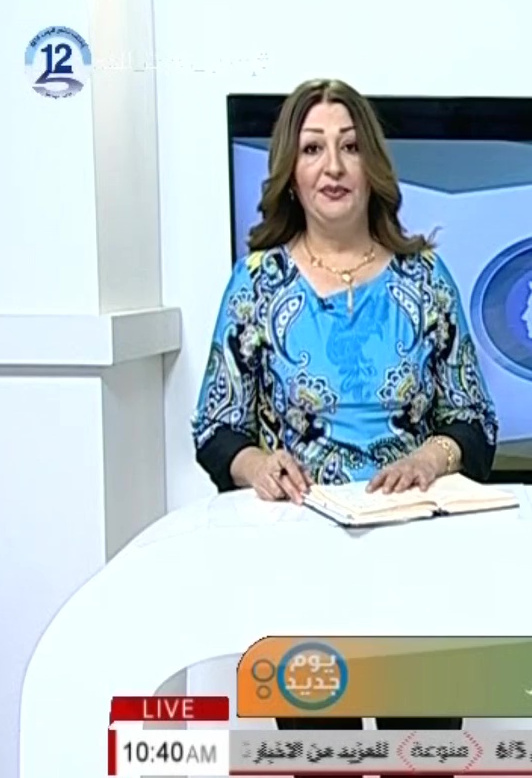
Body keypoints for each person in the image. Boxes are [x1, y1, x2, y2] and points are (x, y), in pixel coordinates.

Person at [191, 78, 498, 769]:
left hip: (417, 568)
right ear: (290, 172)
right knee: (321, 760)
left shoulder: (426, 279)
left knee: (420, 758)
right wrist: (257, 465)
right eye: (312, 149)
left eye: (350, 147)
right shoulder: (256, 284)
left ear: (372, 166)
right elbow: (216, 427)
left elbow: (474, 418)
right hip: (298, 566)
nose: (332, 166)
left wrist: (430, 459)